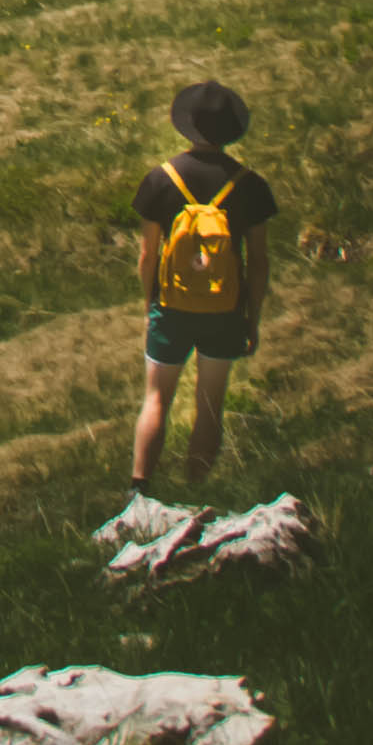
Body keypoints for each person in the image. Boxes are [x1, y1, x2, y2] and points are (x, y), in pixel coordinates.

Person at [129, 77, 277, 493]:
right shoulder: (251, 186)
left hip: (171, 308)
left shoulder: (160, 180)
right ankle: (196, 489)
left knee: (157, 398)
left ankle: (139, 491)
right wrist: (252, 318)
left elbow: (147, 257)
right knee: (210, 405)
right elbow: (260, 262)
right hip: (225, 309)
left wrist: (150, 307)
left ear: (185, 126)